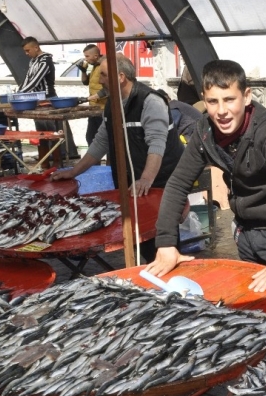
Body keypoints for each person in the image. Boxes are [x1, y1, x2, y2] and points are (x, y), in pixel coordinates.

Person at [145, 60, 266, 293]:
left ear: (247, 96)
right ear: (203, 99)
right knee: (252, 307)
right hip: (244, 232)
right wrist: (166, 243)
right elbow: (178, 184)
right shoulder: (205, 131)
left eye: (229, 99)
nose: (222, 111)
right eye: (213, 101)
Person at [51, 53, 184, 262]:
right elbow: (101, 143)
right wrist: (73, 172)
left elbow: (157, 144)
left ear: (121, 77)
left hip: (162, 181)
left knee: (161, 238)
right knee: (137, 238)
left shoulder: (150, 101)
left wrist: (146, 179)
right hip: (133, 183)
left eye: (103, 75)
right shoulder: (112, 103)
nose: (100, 79)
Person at [18, 36, 78, 160]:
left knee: (54, 129)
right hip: (37, 100)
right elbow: (27, 79)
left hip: (48, 98)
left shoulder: (45, 61)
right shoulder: (33, 61)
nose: (26, 53)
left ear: (36, 47)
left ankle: (62, 154)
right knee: (42, 129)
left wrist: (20, 94)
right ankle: (46, 155)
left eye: (28, 50)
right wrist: (18, 92)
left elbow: (35, 81)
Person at [76, 44, 107, 145]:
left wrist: (87, 99)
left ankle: (109, 160)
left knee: (105, 138)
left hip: (103, 108)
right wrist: (83, 71)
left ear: (96, 56)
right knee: (90, 137)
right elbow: (86, 82)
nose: (86, 59)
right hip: (93, 108)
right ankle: (94, 161)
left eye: (87, 56)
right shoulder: (93, 66)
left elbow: (108, 89)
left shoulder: (104, 66)